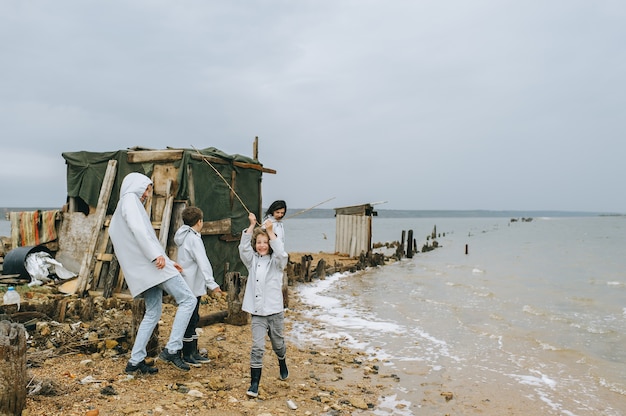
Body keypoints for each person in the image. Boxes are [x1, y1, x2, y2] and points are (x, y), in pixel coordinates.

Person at [109, 172, 197, 374]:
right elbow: (140, 231)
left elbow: (142, 238)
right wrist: (155, 257)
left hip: (145, 269)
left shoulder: (122, 207)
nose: (148, 194)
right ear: (137, 185)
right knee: (188, 300)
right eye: (147, 189)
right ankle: (172, 350)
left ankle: (135, 361)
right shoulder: (130, 200)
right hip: (153, 266)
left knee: (153, 312)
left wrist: (167, 260)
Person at [238, 212, 289, 398]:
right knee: (257, 347)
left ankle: (282, 360)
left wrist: (270, 231)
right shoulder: (252, 261)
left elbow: (282, 253)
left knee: (278, 344)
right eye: (259, 242)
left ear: (270, 244)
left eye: (265, 242)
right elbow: (243, 248)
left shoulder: (277, 262)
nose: (262, 245)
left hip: (275, 312)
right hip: (258, 313)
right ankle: (254, 384)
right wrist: (252, 226)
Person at [174, 206, 222, 367]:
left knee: (192, 317)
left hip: (187, 282)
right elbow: (203, 262)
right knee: (191, 318)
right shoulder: (194, 239)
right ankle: (188, 354)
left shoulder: (184, 236)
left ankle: (192, 352)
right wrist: (212, 284)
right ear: (199, 222)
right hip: (192, 285)